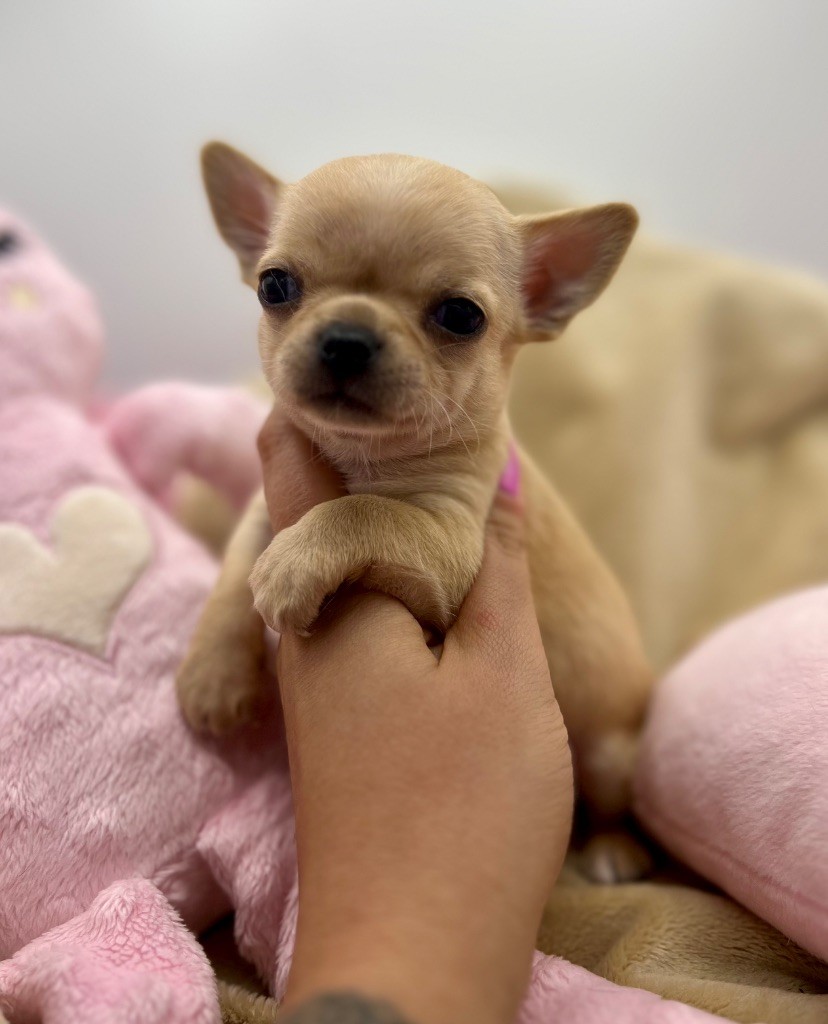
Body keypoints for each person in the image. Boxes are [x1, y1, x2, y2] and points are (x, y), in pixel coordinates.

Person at [258, 409, 575, 1024]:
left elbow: (452, 565)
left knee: (616, 762)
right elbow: (262, 535)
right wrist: (224, 638)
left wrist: (343, 529)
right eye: (283, 303)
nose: (351, 357)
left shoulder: (462, 449)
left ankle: (614, 825)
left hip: (576, 714)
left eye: (451, 347)